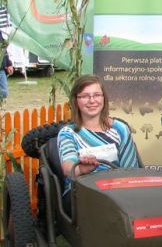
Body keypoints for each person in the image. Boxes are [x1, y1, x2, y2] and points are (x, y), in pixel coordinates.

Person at [57, 75, 140, 206]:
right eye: (85, 96)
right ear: (75, 100)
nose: (92, 100)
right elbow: (68, 168)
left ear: (103, 98)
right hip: (80, 193)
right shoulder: (68, 133)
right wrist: (82, 169)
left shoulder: (120, 129)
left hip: (117, 191)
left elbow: (131, 169)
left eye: (97, 95)